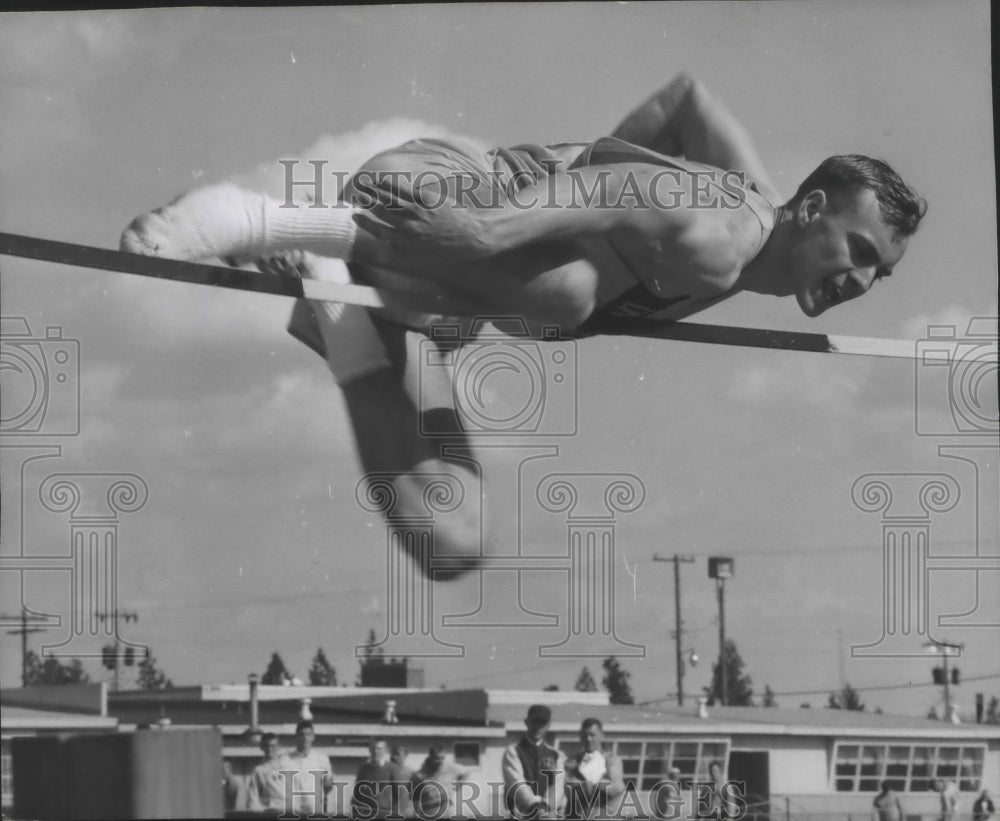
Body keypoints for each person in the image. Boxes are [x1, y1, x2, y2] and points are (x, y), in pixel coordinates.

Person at [120, 74, 927, 579]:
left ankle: (335, 311)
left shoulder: (749, 206)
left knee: (452, 539)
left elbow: (688, 101)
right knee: (569, 295)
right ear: (811, 208)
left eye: (876, 273)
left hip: (434, 284)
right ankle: (257, 219)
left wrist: (528, 235)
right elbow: (615, 190)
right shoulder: (725, 236)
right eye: (856, 251)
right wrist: (492, 234)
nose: (857, 280)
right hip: (433, 194)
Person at [502, 703, 566, 819]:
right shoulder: (513, 751)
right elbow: (516, 782)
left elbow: (558, 785)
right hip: (521, 814)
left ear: (548, 725)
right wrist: (536, 805)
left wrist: (546, 806)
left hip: (547, 814)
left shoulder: (556, 755)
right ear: (526, 722)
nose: (538, 727)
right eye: (535, 722)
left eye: (543, 723)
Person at [563, 718, 625, 819]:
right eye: (585, 735)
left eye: (592, 735)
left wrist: (585, 780)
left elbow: (616, 789)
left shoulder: (612, 760)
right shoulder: (574, 761)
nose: (588, 739)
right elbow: (568, 790)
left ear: (602, 736)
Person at [283, 720, 334, 818]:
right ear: (296, 737)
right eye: (301, 734)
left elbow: (328, 785)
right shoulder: (286, 759)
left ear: (313, 737)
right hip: (293, 811)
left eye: (308, 734)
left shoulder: (322, 759)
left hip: (315, 811)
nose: (305, 738)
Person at [352, 738, 412, 819]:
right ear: (369, 750)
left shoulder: (392, 768)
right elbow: (357, 792)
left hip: (384, 814)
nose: (375, 751)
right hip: (364, 814)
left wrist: (396, 814)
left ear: (385, 751)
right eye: (373, 748)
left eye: (379, 749)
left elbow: (402, 794)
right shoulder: (363, 769)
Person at [410, 745, 474, 818]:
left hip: (446, 811)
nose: (440, 761)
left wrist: (458, 785)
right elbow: (414, 797)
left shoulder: (450, 767)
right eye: (437, 758)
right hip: (428, 811)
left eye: (442, 758)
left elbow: (467, 771)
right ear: (431, 758)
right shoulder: (419, 775)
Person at [246, 732, 288, 815]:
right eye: (267, 746)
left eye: (273, 746)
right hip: (269, 812)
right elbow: (253, 796)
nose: (269, 749)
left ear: (278, 746)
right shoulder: (258, 770)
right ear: (262, 747)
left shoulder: (288, 767)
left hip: (287, 811)